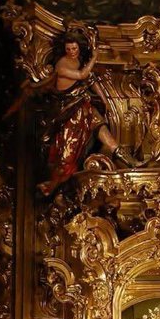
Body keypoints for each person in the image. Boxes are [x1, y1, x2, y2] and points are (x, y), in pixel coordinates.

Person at [31, 33, 131, 196]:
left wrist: (105, 100)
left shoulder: (79, 62)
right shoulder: (61, 65)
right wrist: (95, 58)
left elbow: (90, 80)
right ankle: (53, 185)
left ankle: (124, 157)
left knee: (98, 124)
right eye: (68, 49)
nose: (72, 51)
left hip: (82, 106)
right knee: (67, 152)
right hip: (68, 110)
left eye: (75, 48)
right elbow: (82, 75)